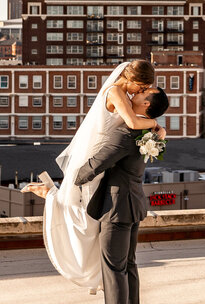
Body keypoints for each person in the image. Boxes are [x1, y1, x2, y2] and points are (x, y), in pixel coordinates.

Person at [22, 61, 164, 292]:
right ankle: (52, 198)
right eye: (142, 86)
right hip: (95, 153)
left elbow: (132, 122)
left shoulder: (126, 94)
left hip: (106, 153)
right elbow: (131, 122)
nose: (141, 91)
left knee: (94, 213)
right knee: (85, 212)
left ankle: (101, 267)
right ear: (131, 78)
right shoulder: (116, 91)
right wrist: (156, 125)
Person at [72, 85, 169, 304]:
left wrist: (73, 180)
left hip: (116, 206)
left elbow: (99, 162)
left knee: (114, 268)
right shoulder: (149, 129)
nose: (136, 93)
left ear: (146, 104)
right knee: (128, 264)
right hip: (133, 202)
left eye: (143, 92)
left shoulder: (128, 133)